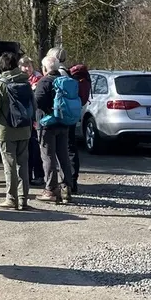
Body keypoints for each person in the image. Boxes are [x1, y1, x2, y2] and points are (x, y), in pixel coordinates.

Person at [0, 52, 34, 210]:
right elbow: (32, 106)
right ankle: (23, 199)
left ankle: (11, 198)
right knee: (23, 165)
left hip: (5, 131)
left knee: (10, 166)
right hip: (24, 129)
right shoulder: (26, 82)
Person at [34, 55, 75, 205]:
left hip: (47, 124)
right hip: (63, 123)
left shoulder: (44, 81)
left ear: (45, 68)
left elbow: (37, 102)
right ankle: (66, 188)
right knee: (63, 156)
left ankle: (50, 189)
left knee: (48, 157)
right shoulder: (66, 81)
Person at [20, 55, 45, 186]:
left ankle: (39, 175)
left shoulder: (39, 79)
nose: (27, 68)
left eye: (29, 66)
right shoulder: (19, 80)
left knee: (36, 149)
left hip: (35, 120)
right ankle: (27, 176)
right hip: (24, 119)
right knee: (26, 150)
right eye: (24, 66)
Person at [68, 63, 91, 194]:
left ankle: (66, 183)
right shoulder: (82, 77)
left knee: (62, 149)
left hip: (61, 116)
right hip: (73, 114)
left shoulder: (65, 75)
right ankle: (73, 182)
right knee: (71, 149)